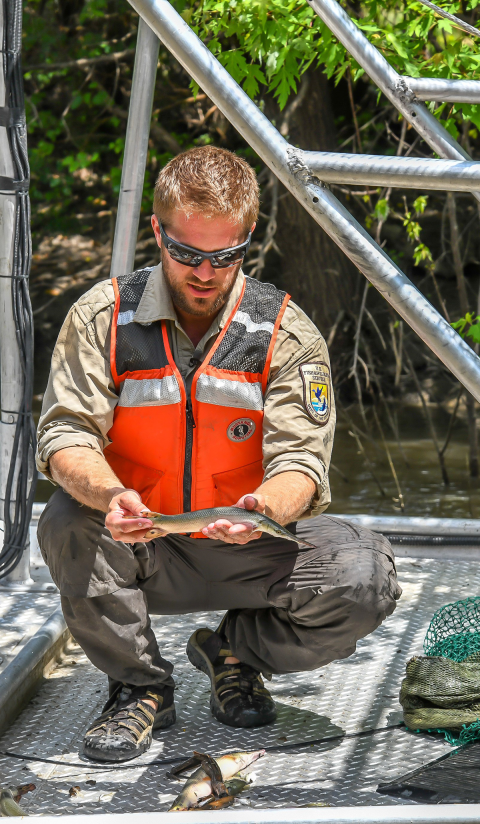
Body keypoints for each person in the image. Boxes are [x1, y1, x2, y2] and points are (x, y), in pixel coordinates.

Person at [36, 145, 401, 764]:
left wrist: (265, 509)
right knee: (67, 520)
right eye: (186, 253)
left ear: (248, 239)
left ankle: (233, 653)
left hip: (250, 543)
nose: (204, 273)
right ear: (159, 232)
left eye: (225, 256)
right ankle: (140, 685)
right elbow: (65, 434)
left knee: (364, 574)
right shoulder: (102, 316)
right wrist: (111, 496)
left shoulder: (286, 331)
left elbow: (302, 464)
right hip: (142, 541)